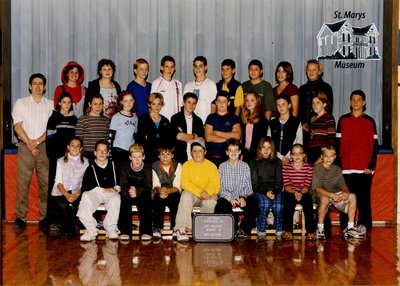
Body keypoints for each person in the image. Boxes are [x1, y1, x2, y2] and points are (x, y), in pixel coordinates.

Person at [11, 73, 54, 228]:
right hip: (25, 146)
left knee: (45, 183)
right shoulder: (21, 103)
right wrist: (29, 143)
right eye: (34, 83)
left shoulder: (51, 104)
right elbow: (17, 126)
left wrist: (36, 142)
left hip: (44, 146)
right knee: (23, 183)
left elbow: (52, 129)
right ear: (29, 86)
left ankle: (44, 217)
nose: (37, 86)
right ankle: (20, 218)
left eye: (40, 83)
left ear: (45, 87)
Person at [336, 90, 378, 230]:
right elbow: (337, 145)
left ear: (364, 102)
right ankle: (346, 226)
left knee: (363, 200)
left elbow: (375, 146)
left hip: (363, 169)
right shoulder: (342, 120)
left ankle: (365, 226)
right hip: (346, 169)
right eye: (353, 99)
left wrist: (371, 166)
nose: (355, 102)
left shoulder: (369, 121)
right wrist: (338, 166)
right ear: (349, 102)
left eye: (359, 99)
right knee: (345, 199)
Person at [174, 141, 220, 242]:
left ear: (205, 152)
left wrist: (207, 192)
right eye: (194, 151)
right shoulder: (186, 165)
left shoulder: (212, 166)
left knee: (210, 201)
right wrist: (200, 192)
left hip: (209, 194)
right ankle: (182, 228)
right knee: (185, 195)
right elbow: (185, 184)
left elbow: (215, 185)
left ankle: (204, 229)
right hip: (193, 193)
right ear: (191, 153)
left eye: (200, 151)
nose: (197, 154)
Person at [77, 140, 121, 241]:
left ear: (108, 153)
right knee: (85, 197)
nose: (101, 153)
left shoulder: (115, 166)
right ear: (95, 153)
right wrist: (103, 190)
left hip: (111, 192)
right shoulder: (90, 168)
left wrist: (115, 189)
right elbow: (86, 187)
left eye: (104, 151)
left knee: (116, 198)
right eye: (99, 151)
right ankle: (91, 230)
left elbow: (120, 183)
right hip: (96, 192)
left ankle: (111, 229)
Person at [46, 91, 78, 230]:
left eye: (69, 102)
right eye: (64, 102)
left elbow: (76, 141)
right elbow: (49, 140)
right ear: (59, 103)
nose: (66, 105)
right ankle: (53, 220)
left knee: (73, 186)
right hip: (57, 159)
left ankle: (72, 219)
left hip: (72, 159)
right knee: (56, 188)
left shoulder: (74, 119)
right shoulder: (53, 118)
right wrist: (55, 158)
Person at [312, 145, 358, 240]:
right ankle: (320, 228)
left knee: (352, 196)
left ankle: (350, 228)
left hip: (335, 194)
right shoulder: (317, 168)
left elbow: (344, 187)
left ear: (335, 157)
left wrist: (345, 192)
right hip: (321, 194)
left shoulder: (337, 169)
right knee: (325, 199)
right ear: (321, 157)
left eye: (331, 156)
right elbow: (317, 189)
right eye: (326, 156)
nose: (329, 158)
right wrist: (331, 195)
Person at [214, 139, 258, 238]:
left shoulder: (245, 166)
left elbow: (248, 186)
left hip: (241, 196)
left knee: (254, 203)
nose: (233, 153)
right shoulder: (222, 167)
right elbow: (220, 187)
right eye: (230, 150)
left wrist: (242, 197)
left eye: (236, 150)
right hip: (227, 198)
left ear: (240, 152)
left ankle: (244, 229)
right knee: (220, 205)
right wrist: (230, 198)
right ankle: (231, 229)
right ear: (226, 152)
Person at [51, 137, 89, 235]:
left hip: (78, 191)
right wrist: (67, 195)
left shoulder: (86, 162)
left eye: (77, 146)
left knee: (77, 205)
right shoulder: (60, 161)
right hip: (62, 191)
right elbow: (58, 181)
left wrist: (77, 194)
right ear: (68, 147)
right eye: (72, 145)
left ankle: (70, 228)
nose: (75, 148)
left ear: (81, 149)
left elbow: (85, 182)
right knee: (64, 205)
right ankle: (66, 228)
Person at [249, 136, 283, 238]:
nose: (266, 150)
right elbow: (254, 184)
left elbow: (279, 182)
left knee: (278, 207)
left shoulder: (277, 162)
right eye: (263, 147)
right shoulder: (253, 163)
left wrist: (274, 192)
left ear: (272, 149)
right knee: (265, 204)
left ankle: (279, 229)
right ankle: (261, 228)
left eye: (269, 148)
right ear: (259, 148)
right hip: (260, 190)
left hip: (275, 190)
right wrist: (266, 192)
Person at [118, 143, 153, 241]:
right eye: (134, 157)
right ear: (130, 157)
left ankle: (146, 231)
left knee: (146, 200)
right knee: (123, 200)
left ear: (144, 157)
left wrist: (137, 190)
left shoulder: (147, 167)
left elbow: (148, 184)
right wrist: (131, 192)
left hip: (142, 192)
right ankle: (125, 231)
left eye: (139, 157)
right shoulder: (124, 166)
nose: (137, 160)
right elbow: (123, 184)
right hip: (128, 192)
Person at [282, 144, 315, 240]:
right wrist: (295, 193)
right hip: (290, 192)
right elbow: (287, 186)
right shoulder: (286, 167)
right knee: (288, 204)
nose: (297, 156)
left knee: (308, 203)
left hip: (303, 192)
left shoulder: (309, 167)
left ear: (304, 155)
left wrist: (300, 193)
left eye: (300, 153)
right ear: (291, 156)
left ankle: (310, 231)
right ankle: (287, 231)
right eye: (294, 154)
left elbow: (307, 185)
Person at [152, 146, 182, 239]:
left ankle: (175, 227)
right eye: (162, 154)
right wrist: (160, 191)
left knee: (176, 200)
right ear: (158, 156)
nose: (165, 157)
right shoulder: (154, 166)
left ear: (172, 155)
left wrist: (168, 191)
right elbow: (155, 184)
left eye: (168, 154)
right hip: (160, 190)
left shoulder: (178, 165)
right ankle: (157, 227)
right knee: (157, 200)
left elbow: (177, 186)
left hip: (173, 190)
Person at [204, 90, 241, 167]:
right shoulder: (211, 117)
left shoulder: (234, 118)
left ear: (228, 103)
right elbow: (208, 137)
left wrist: (216, 133)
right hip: (210, 157)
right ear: (216, 103)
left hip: (227, 158)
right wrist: (227, 139)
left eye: (224, 101)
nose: (221, 103)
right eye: (219, 101)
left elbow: (237, 135)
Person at [137, 92, 174, 163]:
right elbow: (141, 139)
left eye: (159, 104)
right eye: (154, 104)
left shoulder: (165, 120)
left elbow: (169, 139)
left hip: (163, 157)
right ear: (149, 104)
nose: (156, 107)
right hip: (148, 155)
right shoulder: (143, 119)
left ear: (162, 105)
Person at [170, 92, 205, 163]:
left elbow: (202, 139)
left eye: (194, 103)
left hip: (195, 157)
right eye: (189, 102)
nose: (191, 105)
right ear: (184, 102)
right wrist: (194, 136)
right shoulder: (175, 118)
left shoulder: (198, 120)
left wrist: (186, 137)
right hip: (179, 156)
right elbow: (179, 136)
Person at [298, 59, 333, 129]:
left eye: (314, 70)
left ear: (319, 71)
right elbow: (298, 109)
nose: (311, 72)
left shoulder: (326, 87)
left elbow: (328, 109)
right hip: (303, 128)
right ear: (306, 72)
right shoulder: (302, 89)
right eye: (309, 70)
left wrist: (313, 124)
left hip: (320, 127)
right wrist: (302, 124)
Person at [76, 93, 110, 163]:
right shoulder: (82, 119)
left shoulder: (106, 120)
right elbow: (78, 140)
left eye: (100, 104)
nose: (98, 107)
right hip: (87, 154)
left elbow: (107, 139)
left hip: (101, 154)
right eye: (95, 104)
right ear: (89, 104)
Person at [268, 94, 303, 164]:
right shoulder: (272, 123)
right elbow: (269, 142)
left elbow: (299, 142)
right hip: (275, 159)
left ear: (289, 105)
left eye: (283, 104)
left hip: (292, 159)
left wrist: (288, 156)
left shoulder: (296, 122)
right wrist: (280, 157)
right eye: (278, 105)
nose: (281, 107)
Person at [108, 90, 138, 167]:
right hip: (118, 151)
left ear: (134, 101)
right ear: (121, 102)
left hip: (129, 152)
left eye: (131, 100)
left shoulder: (135, 118)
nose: (129, 103)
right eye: (126, 101)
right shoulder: (116, 117)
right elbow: (111, 136)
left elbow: (135, 136)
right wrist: (110, 154)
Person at [183, 56, 218, 123]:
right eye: (195, 66)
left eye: (200, 66)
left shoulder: (211, 84)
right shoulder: (188, 86)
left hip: (205, 124)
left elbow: (214, 106)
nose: (197, 69)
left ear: (205, 67)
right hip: (190, 124)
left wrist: (209, 123)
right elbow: (184, 107)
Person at [305, 92, 336, 164]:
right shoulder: (312, 118)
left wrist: (322, 157)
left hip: (321, 152)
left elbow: (331, 140)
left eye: (318, 102)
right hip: (310, 151)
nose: (314, 105)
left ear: (324, 104)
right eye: (313, 103)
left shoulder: (329, 118)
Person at [150, 55, 183, 120]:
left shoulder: (178, 84)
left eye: (172, 67)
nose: (169, 69)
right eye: (167, 66)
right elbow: (152, 104)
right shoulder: (156, 83)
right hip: (161, 121)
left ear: (174, 68)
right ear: (162, 68)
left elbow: (181, 105)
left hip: (175, 121)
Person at [240, 91, 269, 163]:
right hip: (246, 153)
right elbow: (243, 138)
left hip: (257, 154)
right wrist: (242, 153)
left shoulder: (262, 119)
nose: (249, 103)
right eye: (247, 100)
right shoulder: (244, 118)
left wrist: (260, 153)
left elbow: (263, 139)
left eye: (252, 100)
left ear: (257, 102)